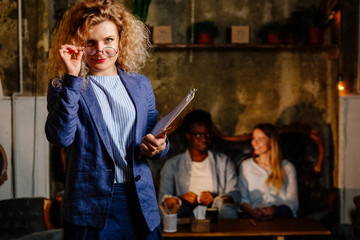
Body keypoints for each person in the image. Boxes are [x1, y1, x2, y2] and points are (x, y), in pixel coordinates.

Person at [45, 0, 169, 239]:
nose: (100, 50)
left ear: (121, 41)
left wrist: (160, 145)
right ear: (76, 44)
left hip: (140, 203)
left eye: (108, 40)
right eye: (89, 42)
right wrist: (72, 77)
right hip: (90, 208)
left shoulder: (140, 84)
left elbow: (157, 135)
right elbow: (61, 137)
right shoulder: (63, 85)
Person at [158, 110, 240, 219]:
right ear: (188, 136)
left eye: (207, 134)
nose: (204, 139)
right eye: (198, 135)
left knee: (226, 207)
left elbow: (235, 196)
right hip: (185, 211)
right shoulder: (172, 164)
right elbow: (162, 202)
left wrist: (215, 197)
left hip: (215, 211)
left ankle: (226, 234)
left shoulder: (223, 162)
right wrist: (180, 199)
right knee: (171, 207)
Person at [237, 123, 298, 220]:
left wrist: (274, 209)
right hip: (255, 216)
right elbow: (242, 199)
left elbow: (293, 201)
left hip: (281, 216)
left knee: (284, 213)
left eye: (260, 139)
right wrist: (253, 212)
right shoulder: (246, 166)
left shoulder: (287, 167)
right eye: (253, 138)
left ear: (271, 141)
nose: (254, 143)